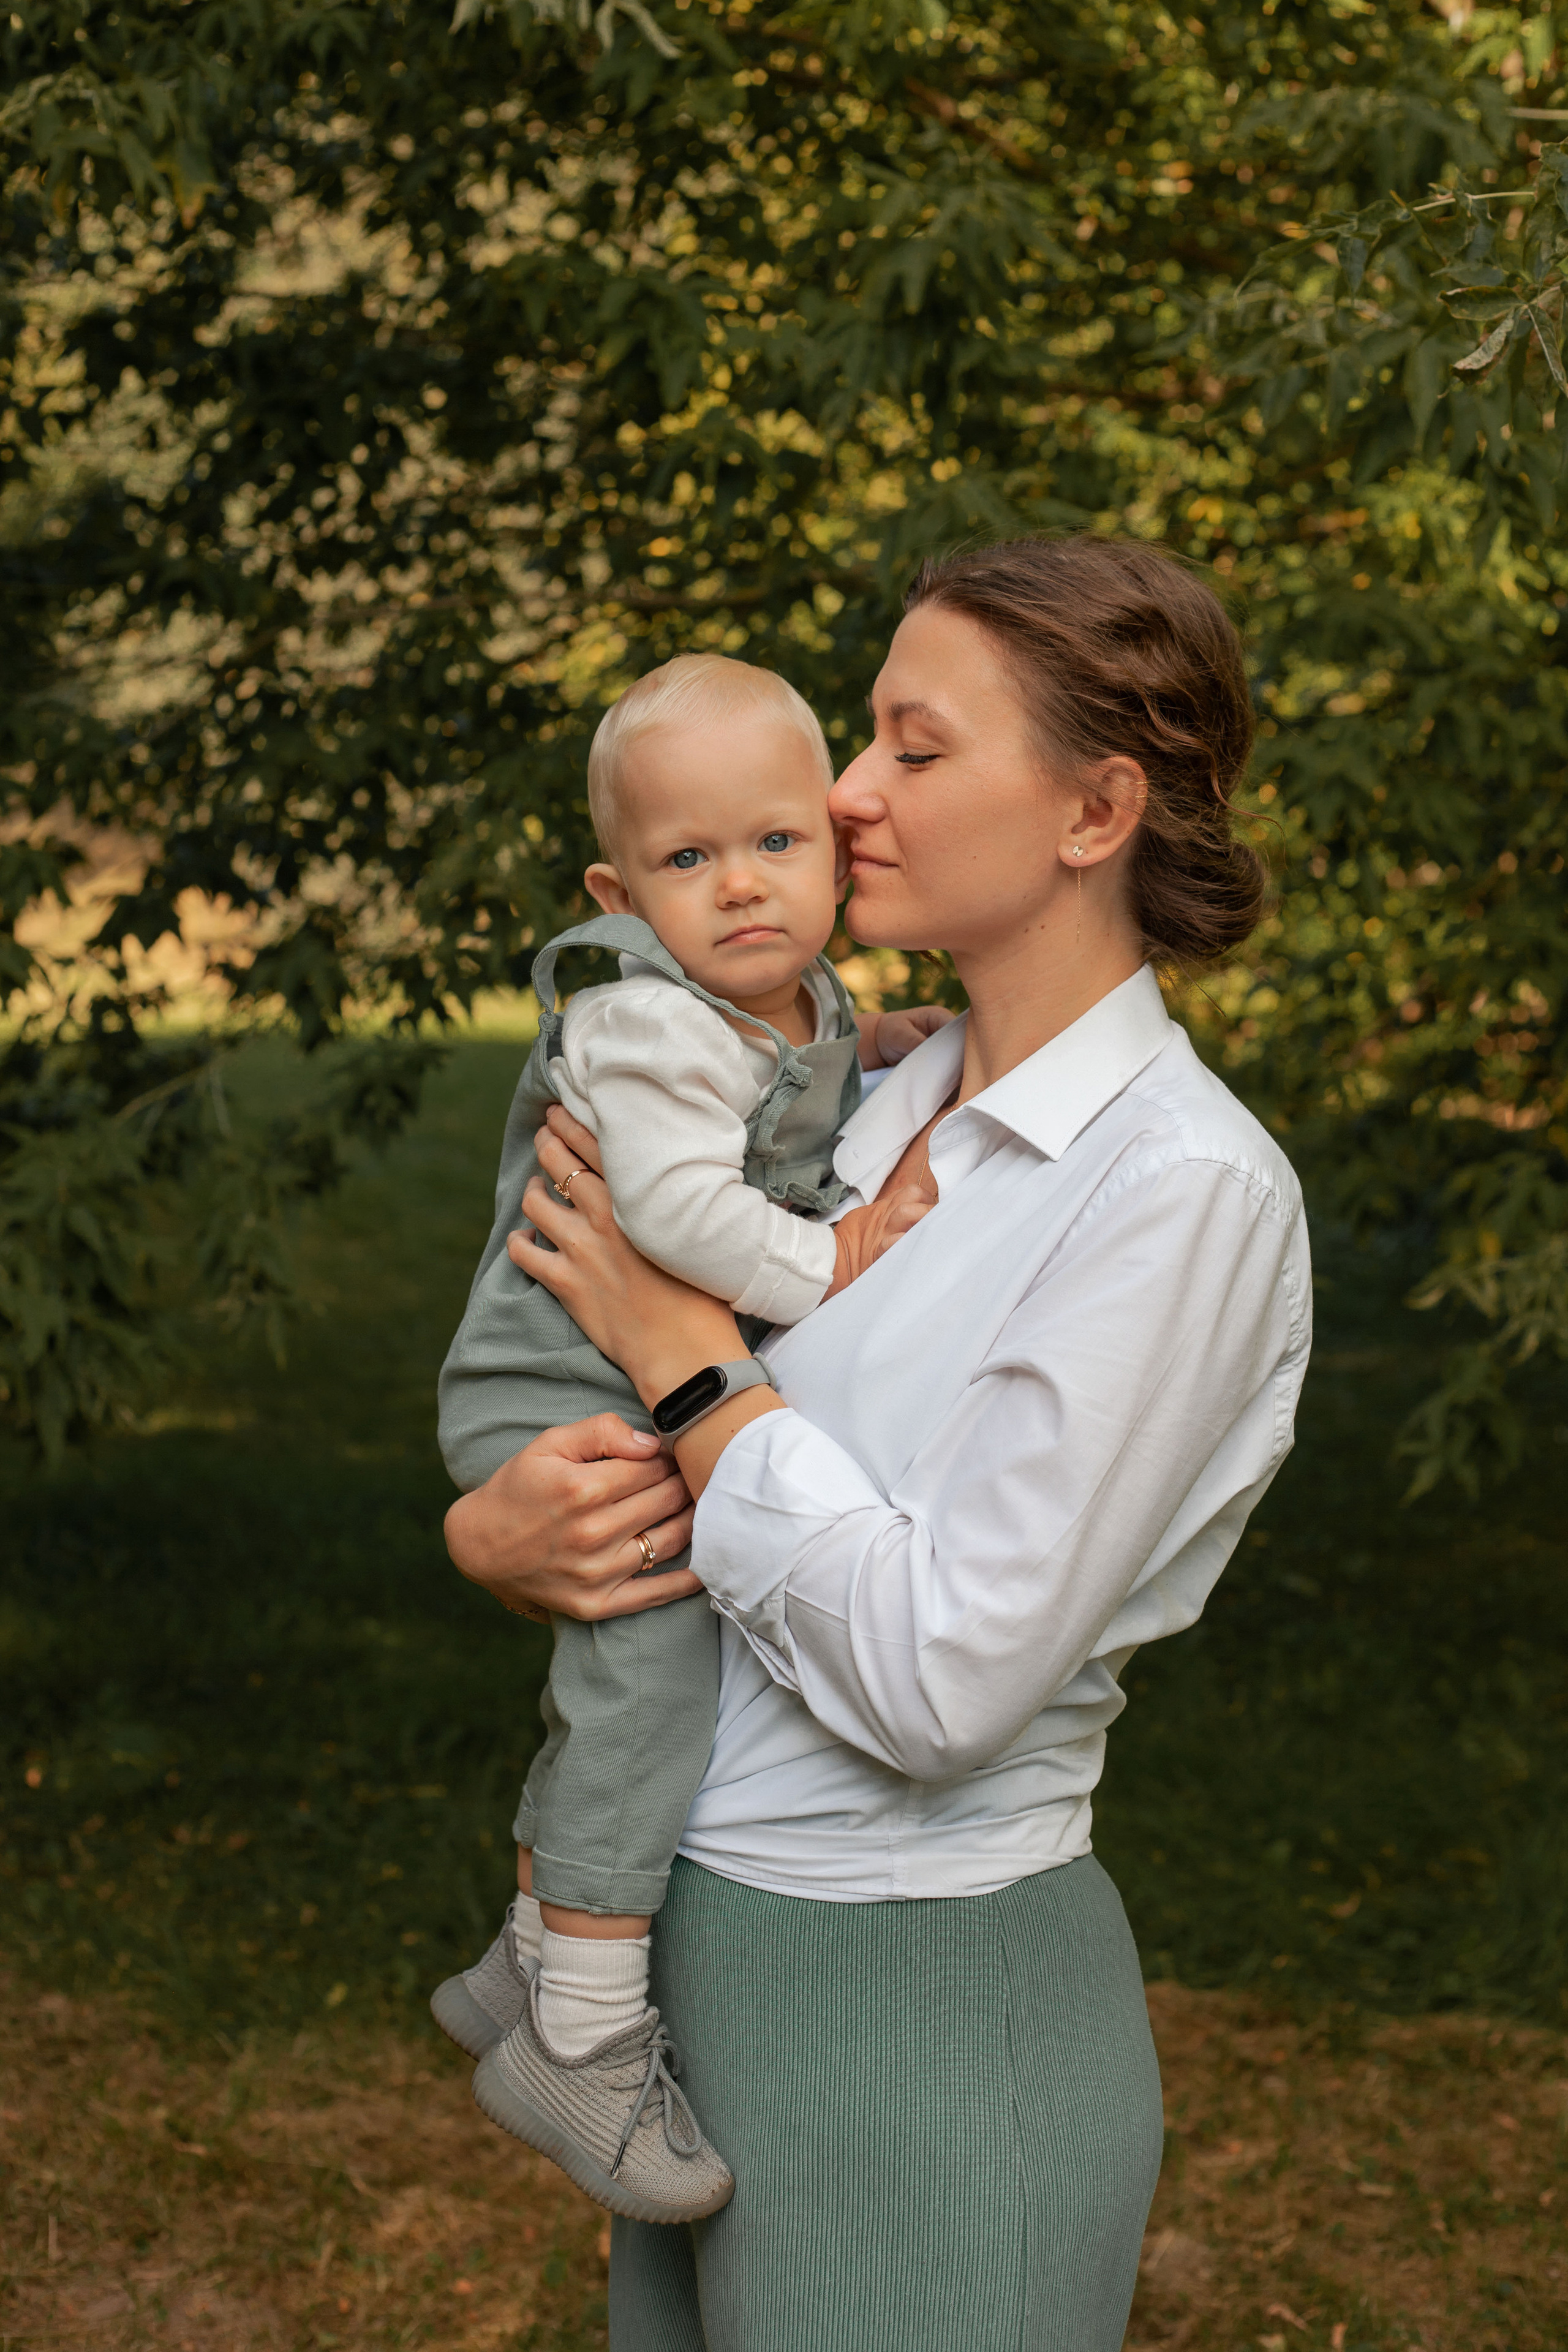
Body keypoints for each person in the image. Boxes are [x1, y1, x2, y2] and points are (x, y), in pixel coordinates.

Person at [445, 537, 1313, 2351]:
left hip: (920, 1997)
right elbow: (580, 1373)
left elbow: (937, 1679)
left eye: (913, 749)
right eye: (863, 741)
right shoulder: (855, 1091)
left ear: (1097, 809)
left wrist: (690, 1373)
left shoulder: (1184, 1194)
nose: (843, 794)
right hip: (705, 1970)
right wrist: (507, 1530)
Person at [431, 652, 948, 2226]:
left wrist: (866, 1051)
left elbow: (774, 1090)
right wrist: (837, 1261)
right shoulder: (648, 1020)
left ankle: (520, 1966)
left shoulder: (777, 997)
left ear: (833, 844)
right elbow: (671, 1205)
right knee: (649, 1668)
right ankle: (581, 2035)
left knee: (646, 1662)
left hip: (609, 1368)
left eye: (775, 845)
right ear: (617, 889)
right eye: (685, 861)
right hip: (559, 1384)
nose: (739, 888)